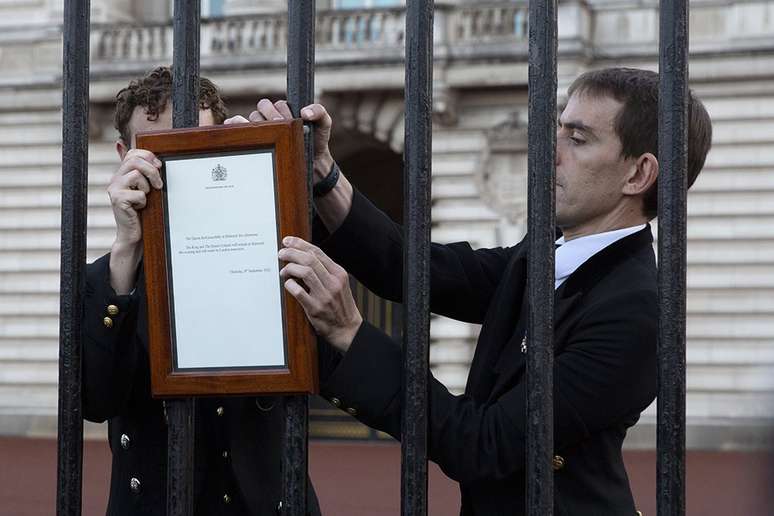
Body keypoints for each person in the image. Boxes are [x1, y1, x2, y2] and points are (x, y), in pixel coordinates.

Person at [236, 67, 712, 514]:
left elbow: (481, 445)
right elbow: (423, 271)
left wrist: (349, 331)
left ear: (638, 175)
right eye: (559, 127)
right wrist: (324, 176)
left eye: (578, 137)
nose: (550, 148)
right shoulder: (548, 250)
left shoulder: (636, 312)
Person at [82, 66, 321, 516]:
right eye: (158, 152)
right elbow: (95, 401)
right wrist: (126, 250)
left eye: (191, 145)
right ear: (123, 155)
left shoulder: (271, 244)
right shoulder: (107, 279)